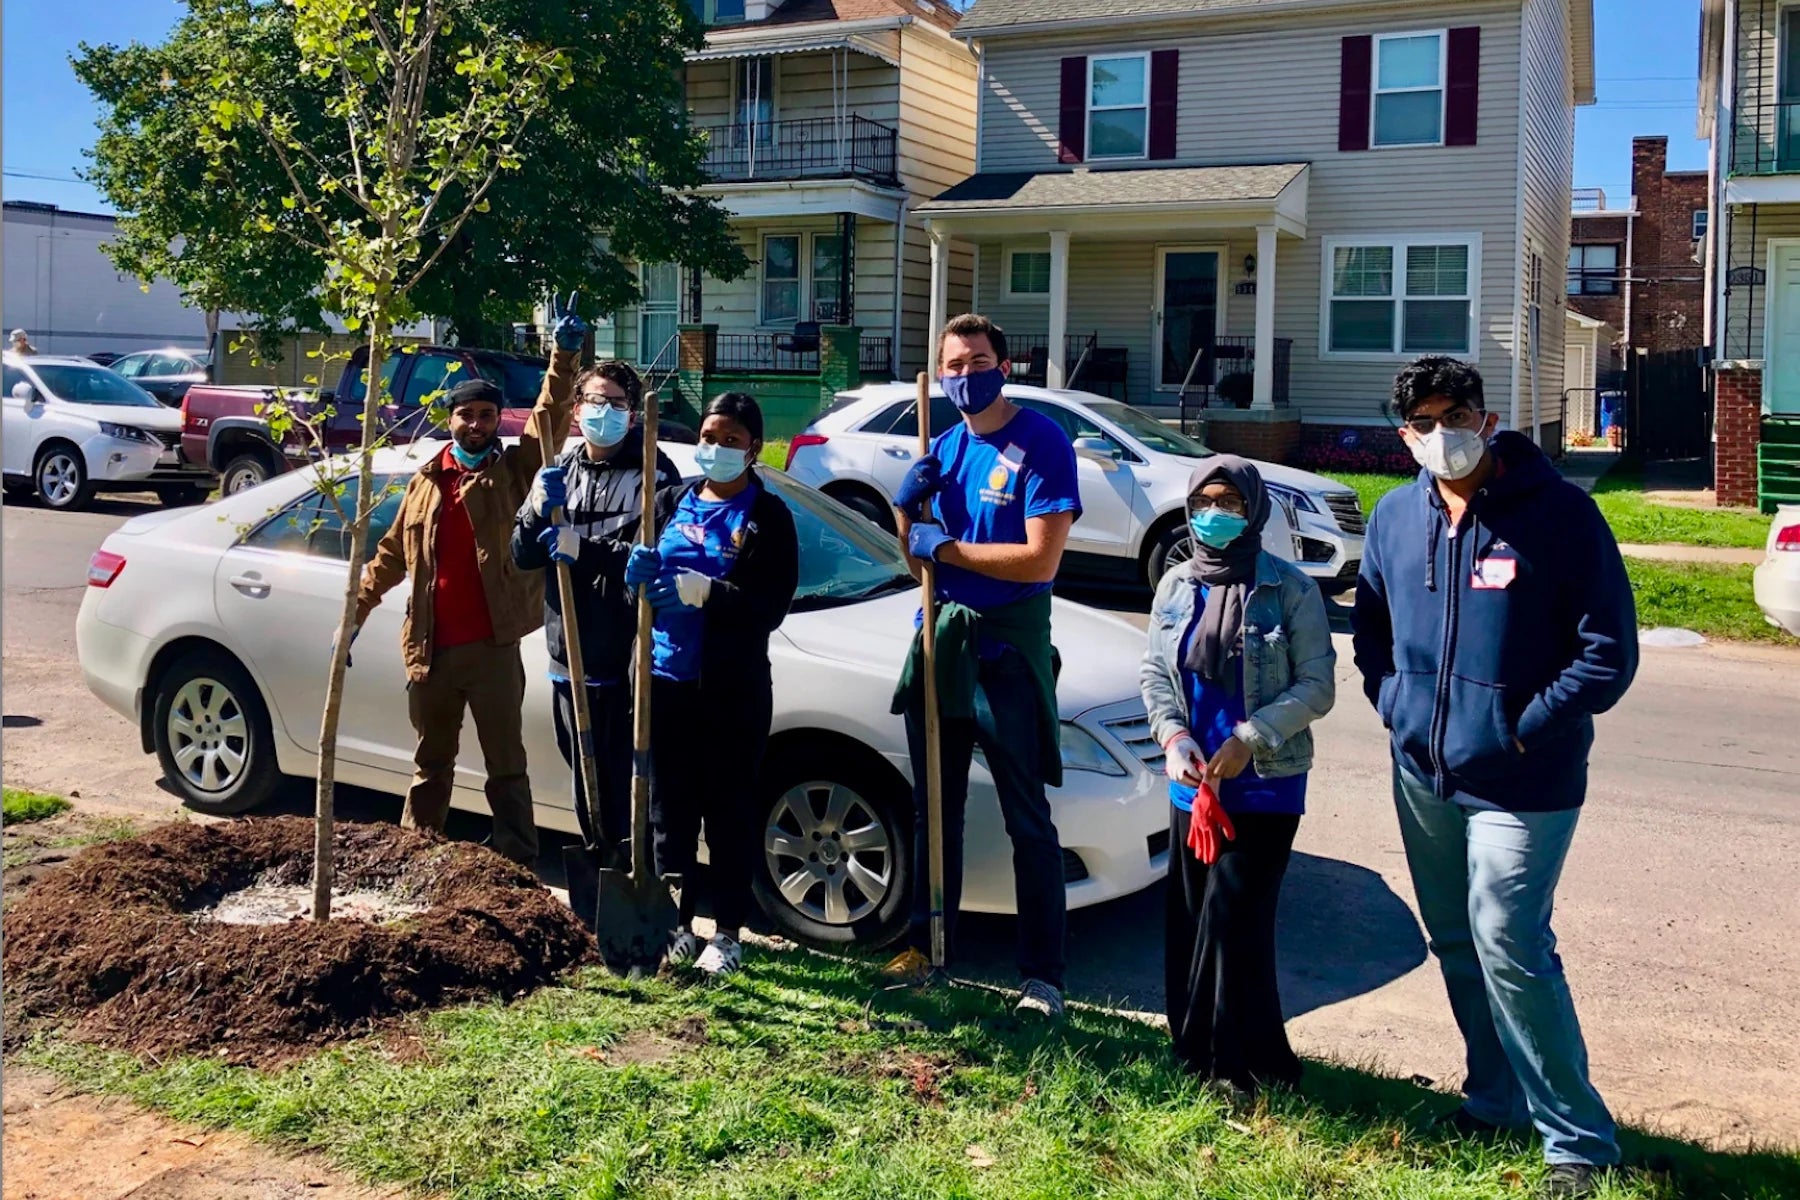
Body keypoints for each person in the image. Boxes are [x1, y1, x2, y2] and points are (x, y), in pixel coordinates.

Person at [1351, 356, 1638, 1199]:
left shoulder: (1561, 515)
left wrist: (1522, 730)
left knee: (1509, 939)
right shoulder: (1394, 519)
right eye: (1426, 422)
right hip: (1423, 774)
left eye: (1459, 414)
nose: (1447, 435)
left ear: (1488, 415)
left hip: (1526, 781)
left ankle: (1578, 1142)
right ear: (1404, 436)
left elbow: (1607, 656)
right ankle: (1494, 1096)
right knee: (1455, 940)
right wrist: (1396, 706)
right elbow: (1370, 630)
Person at [883, 313, 1081, 1019]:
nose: (964, 376)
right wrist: (906, 511)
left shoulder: (1041, 444)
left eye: (977, 362)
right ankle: (928, 946)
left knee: (1029, 817)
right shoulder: (943, 449)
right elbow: (917, 567)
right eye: (953, 366)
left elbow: (1040, 558)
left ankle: (1043, 977)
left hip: (1008, 652)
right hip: (944, 642)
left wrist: (948, 550)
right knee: (935, 808)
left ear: (1005, 363)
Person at [352, 293, 585, 868]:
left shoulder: (515, 473)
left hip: (491, 651)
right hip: (429, 652)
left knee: (507, 767)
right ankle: (413, 862)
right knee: (431, 765)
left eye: (486, 415)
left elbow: (548, 419)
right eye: (466, 415)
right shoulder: (426, 482)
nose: (476, 424)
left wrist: (563, 356)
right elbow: (390, 554)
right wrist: (353, 614)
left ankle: (518, 867)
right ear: (450, 420)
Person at [1140, 455, 1335, 1091]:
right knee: (1195, 918)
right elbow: (1155, 676)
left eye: (1232, 504)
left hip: (1266, 780)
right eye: (1206, 504)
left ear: (1254, 510)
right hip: (1192, 781)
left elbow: (1317, 686)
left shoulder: (1290, 588)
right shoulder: (1174, 586)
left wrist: (1251, 739)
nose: (1217, 515)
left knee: (1234, 917)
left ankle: (1228, 1068)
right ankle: (1219, 1052)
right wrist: (1171, 737)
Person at [623, 392, 798, 977]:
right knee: (669, 814)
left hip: (729, 690)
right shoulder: (670, 500)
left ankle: (727, 933)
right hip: (664, 680)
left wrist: (708, 592)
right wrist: (635, 580)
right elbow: (640, 594)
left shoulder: (766, 517)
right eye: (709, 436)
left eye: (731, 440)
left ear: (752, 449)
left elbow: (769, 606)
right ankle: (676, 925)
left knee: (728, 812)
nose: (716, 448)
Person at [511, 359, 681, 860]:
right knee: (586, 782)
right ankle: (599, 865)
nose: (603, 411)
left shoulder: (654, 470)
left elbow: (656, 559)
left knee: (633, 782)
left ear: (633, 414)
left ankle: (639, 872)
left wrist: (583, 549)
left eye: (617, 403)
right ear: (577, 408)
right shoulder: (558, 468)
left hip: (628, 659)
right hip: (571, 657)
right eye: (594, 401)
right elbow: (521, 555)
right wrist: (536, 511)